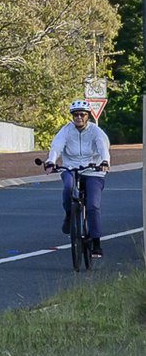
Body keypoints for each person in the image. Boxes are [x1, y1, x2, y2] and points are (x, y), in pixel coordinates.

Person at [44, 100, 112, 259]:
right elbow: (56, 147)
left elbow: (103, 147)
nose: (79, 117)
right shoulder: (66, 130)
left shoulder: (96, 131)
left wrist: (105, 162)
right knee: (68, 188)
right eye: (76, 115)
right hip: (71, 168)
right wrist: (51, 161)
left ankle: (96, 243)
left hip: (93, 170)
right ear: (72, 116)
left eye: (82, 114)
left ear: (88, 116)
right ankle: (69, 215)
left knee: (93, 205)